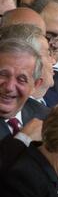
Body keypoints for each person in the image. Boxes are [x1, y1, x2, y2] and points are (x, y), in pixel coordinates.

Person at [0, 39, 47, 172]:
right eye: (2, 75)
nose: (9, 87)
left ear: (35, 85)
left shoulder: (46, 117)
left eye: (21, 79)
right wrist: (23, 139)